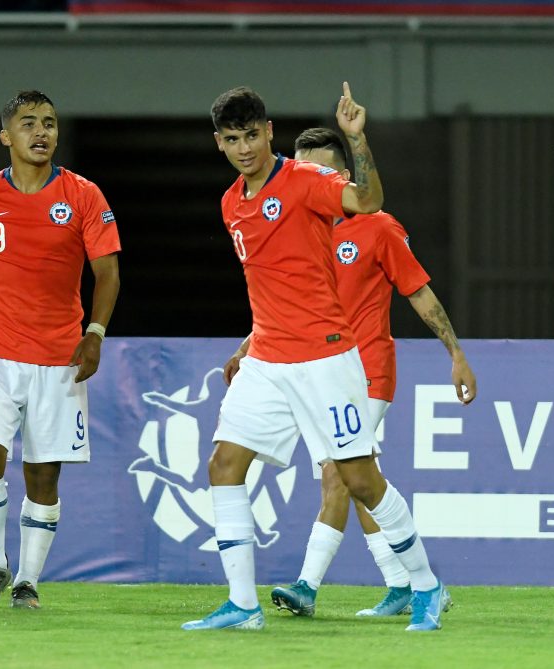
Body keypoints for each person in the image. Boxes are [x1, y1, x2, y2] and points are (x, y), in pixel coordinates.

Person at [182, 83, 448, 633]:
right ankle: (242, 605)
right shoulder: (231, 203)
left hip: (325, 359)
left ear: (269, 131)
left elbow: (368, 201)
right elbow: (268, 286)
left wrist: (358, 140)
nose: (245, 148)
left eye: (252, 135)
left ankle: (426, 585)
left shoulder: (305, 179)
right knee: (223, 466)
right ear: (219, 143)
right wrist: (246, 348)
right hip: (268, 362)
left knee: (360, 480)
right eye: (233, 139)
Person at [0, 90, 121, 609]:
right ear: (6, 136)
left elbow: (107, 271)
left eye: (48, 123)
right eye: (28, 123)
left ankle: (28, 581)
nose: (40, 132)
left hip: (59, 359)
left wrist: (96, 332)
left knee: (43, 474)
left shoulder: (84, 195)